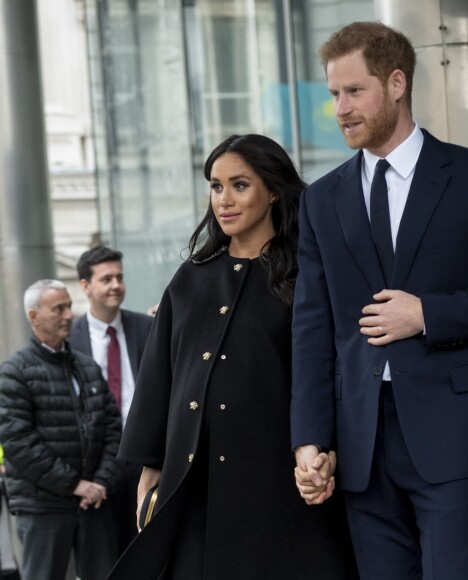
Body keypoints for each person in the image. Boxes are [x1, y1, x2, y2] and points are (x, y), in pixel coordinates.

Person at [290, 22, 468, 580]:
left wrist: (427, 314)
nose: (340, 108)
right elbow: (314, 331)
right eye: (333, 94)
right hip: (360, 440)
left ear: (396, 83)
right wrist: (309, 441)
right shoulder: (320, 201)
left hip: (450, 429)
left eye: (354, 91)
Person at [106, 134, 358, 579]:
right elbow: (161, 377)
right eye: (216, 186)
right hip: (196, 484)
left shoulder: (305, 276)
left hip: (280, 481)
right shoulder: (190, 280)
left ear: (273, 190)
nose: (224, 200)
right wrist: (152, 467)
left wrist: (328, 450)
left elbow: (331, 374)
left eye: (239, 185)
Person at [0, 279, 121, 580]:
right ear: (33, 316)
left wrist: (101, 482)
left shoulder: (87, 366)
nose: (69, 315)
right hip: (43, 507)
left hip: (93, 501)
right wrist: (73, 484)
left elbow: (113, 428)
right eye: (58, 309)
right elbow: (18, 443)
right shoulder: (15, 372)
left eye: (69, 306)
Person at [70, 245, 153, 555]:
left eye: (119, 277)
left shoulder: (148, 328)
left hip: (143, 455)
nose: (116, 285)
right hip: (95, 465)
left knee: (145, 547)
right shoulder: (70, 340)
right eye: (106, 279)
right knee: (103, 555)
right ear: (85, 286)